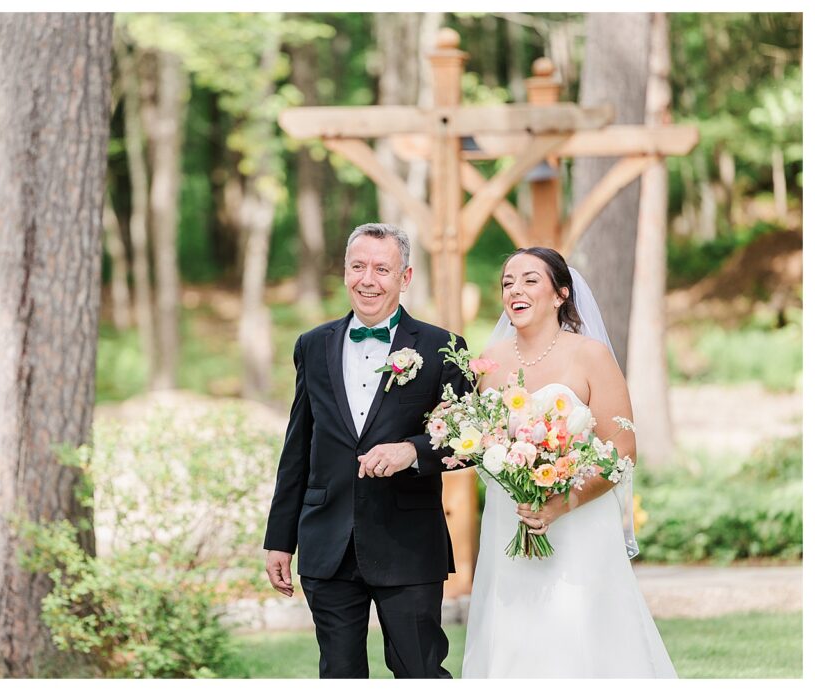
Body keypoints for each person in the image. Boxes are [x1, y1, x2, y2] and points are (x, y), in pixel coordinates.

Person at [263, 223, 472, 678]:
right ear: (344, 272)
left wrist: (411, 451)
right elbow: (298, 445)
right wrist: (280, 538)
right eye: (358, 266)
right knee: (339, 675)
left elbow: (471, 437)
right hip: (328, 541)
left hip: (409, 543)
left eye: (382, 268)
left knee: (419, 671)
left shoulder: (443, 348)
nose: (368, 279)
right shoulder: (312, 345)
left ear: (406, 277)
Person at [461, 247, 676, 678]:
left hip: (578, 523)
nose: (515, 290)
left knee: (581, 638)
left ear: (561, 294)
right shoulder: (490, 362)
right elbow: (473, 436)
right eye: (507, 282)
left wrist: (563, 501)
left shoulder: (590, 355)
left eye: (529, 280)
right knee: (512, 635)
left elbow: (622, 449)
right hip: (510, 518)